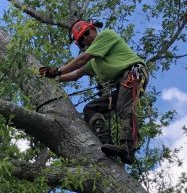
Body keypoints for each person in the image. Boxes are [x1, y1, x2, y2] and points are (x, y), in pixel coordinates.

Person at [39, 19, 148, 163]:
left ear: (94, 29)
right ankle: (105, 141)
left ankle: (128, 148)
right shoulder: (93, 62)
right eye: (81, 40)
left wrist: (57, 71)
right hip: (123, 84)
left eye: (87, 33)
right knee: (91, 108)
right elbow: (76, 74)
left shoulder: (106, 35)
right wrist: (53, 77)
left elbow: (82, 59)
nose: (86, 38)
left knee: (123, 107)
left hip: (133, 74)